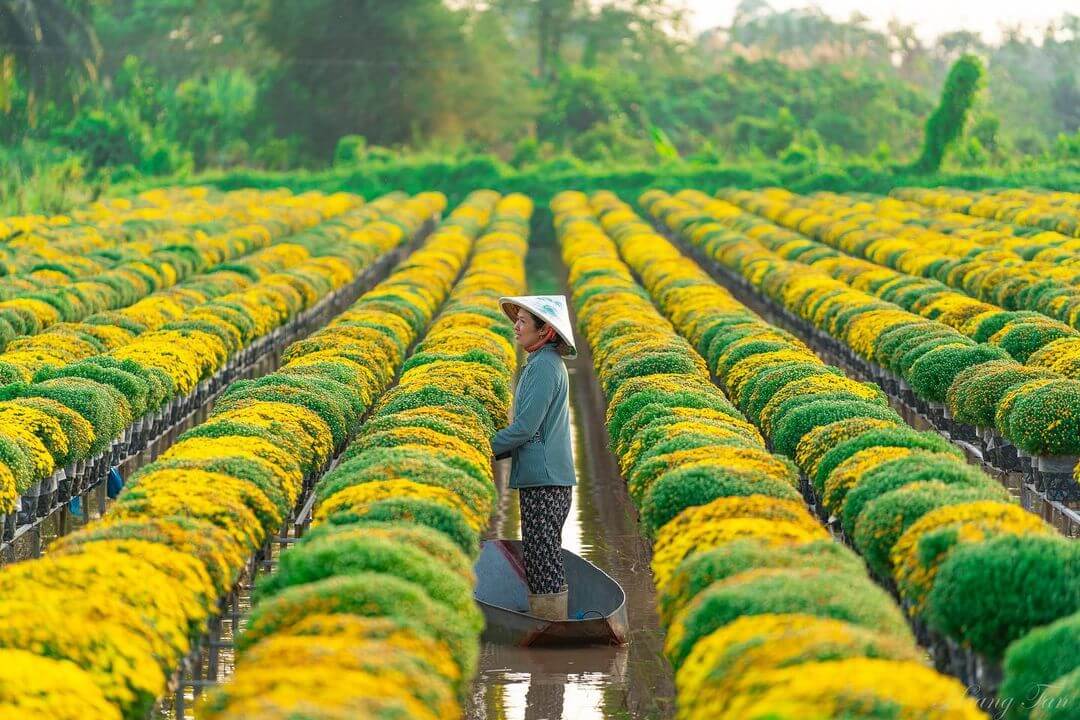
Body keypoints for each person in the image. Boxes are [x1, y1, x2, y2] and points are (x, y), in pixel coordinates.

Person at [492, 295, 578, 621]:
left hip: (545, 479)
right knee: (543, 553)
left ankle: (551, 626)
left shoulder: (544, 367)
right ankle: (550, 624)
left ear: (545, 332)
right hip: (547, 477)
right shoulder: (542, 362)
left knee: (542, 556)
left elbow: (525, 428)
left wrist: (485, 445)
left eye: (523, 322)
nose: (516, 326)